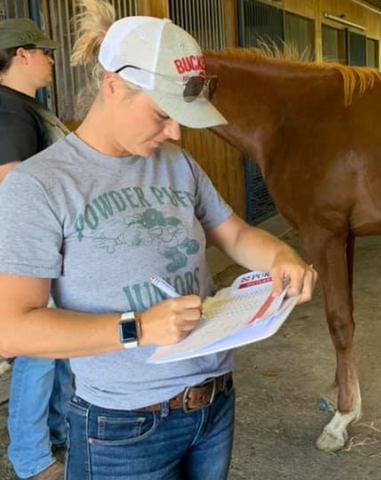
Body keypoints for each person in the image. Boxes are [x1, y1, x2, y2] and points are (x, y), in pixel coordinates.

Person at [0, 0, 317, 479]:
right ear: (113, 86)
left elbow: (231, 232)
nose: (174, 133)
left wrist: (280, 255)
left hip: (213, 402)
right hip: (121, 426)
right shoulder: (41, 185)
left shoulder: (176, 164)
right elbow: (14, 327)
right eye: (161, 114)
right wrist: (138, 328)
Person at [0, 18, 72, 480]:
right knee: (39, 349)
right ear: (21, 55)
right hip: (25, 251)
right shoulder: (10, 110)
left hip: (34, 247)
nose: (50, 59)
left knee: (58, 344)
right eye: (43, 52)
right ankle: (29, 455)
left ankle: (57, 431)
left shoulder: (21, 106)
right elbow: (10, 179)